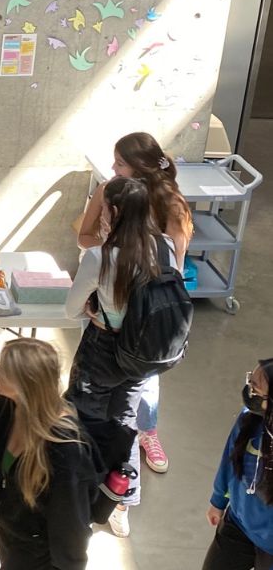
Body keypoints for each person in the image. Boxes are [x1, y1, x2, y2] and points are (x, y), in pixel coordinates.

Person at [65, 176, 177, 538]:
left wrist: (95, 311)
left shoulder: (102, 256)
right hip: (144, 353)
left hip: (103, 348)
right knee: (125, 426)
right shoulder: (165, 248)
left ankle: (80, 503)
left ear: (112, 213)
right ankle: (120, 504)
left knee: (85, 424)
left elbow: (71, 310)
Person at [78, 132, 192, 476]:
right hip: (107, 304)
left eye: (120, 163)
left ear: (142, 167)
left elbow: (177, 267)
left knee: (144, 380)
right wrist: (111, 243)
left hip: (146, 311)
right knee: (98, 386)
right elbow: (83, 237)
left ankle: (146, 433)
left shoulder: (170, 204)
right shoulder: (107, 190)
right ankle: (92, 452)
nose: (113, 169)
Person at [0, 339, 101, 569]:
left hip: (40, 551)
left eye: (4, 371)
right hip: (8, 528)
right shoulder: (3, 404)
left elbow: (71, 527)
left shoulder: (66, 453)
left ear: (25, 384)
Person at [203, 359, 273, 569]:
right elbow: (229, 461)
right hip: (239, 523)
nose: (249, 391)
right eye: (250, 382)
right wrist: (218, 501)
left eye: (256, 389)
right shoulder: (248, 420)